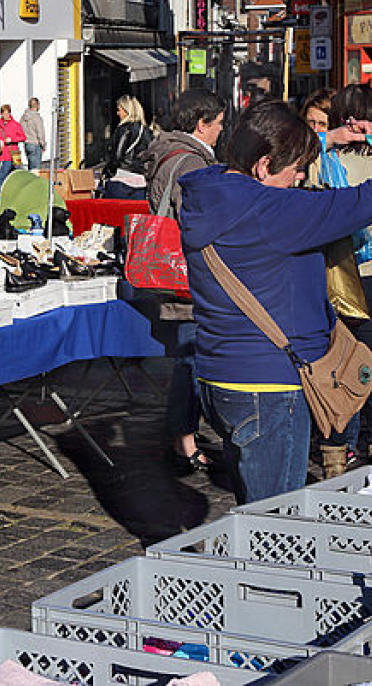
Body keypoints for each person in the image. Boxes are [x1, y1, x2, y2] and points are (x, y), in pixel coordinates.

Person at [179, 100, 372, 503]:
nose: (299, 179)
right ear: (263, 166)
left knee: (253, 508)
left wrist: (336, 138)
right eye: (295, 170)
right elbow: (367, 201)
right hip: (269, 388)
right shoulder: (271, 210)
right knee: (275, 521)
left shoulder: (210, 193)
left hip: (218, 377)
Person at [143, 88, 226, 473]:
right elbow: (198, 222)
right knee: (192, 362)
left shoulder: (167, 154)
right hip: (187, 277)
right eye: (218, 124)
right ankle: (184, 440)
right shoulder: (191, 164)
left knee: (189, 359)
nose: (221, 131)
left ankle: (183, 435)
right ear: (201, 124)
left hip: (173, 275)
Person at [323, 83, 372, 469]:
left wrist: (330, 139)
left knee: (334, 364)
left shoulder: (325, 161)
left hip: (334, 277)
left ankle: (335, 450)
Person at [101, 95, 153, 199]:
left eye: (119, 110)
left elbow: (117, 155)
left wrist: (107, 172)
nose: (117, 113)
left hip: (122, 179)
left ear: (126, 111)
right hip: (140, 182)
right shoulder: (146, 131)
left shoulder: (123, 129)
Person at [0, 104, 28, 192]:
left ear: (10, 113)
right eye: (4, 113)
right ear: (1, 114)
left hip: (14, 154)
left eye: (7, 113)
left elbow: (23, 137)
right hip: (4, 155)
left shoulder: (15, 125)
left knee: (15, 175)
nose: (5, 115)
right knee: (4, 175)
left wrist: (12, 139)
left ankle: (14, 192)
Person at [20, 97, 47, 172]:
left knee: (31, 167)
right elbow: (40, 133)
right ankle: (35, 183)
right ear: (37, 105)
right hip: (35, 144)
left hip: (27, 144)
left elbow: (20, 130)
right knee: (36, 170)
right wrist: (43, 144)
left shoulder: (23, 117)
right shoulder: (37, 118)